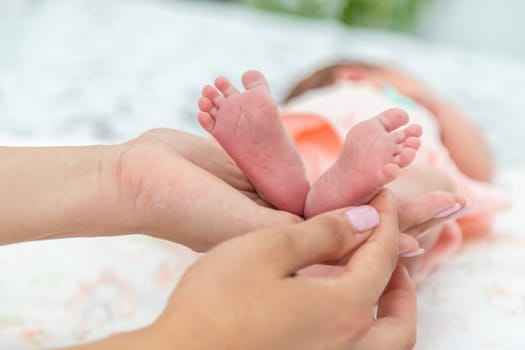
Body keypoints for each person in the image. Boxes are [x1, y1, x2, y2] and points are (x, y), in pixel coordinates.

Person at [1, 129, 465, 349]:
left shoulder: (319, 105)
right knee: (423, 188)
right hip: (400, 152)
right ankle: (357, 196)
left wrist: (124, 181)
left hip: (304, 136)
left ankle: (290, 179)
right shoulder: (421, 116)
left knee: (285, 182)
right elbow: (475, 170)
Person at [196, 65, 509, 281]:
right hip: (385, 173)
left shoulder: (324, 104)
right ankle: (372, 202)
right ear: (354, 76)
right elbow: (480, 163)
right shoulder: (391, 105)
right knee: (433, 190)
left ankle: (286, 192)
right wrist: (436, 106)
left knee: (245, 190)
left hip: (304, 144)